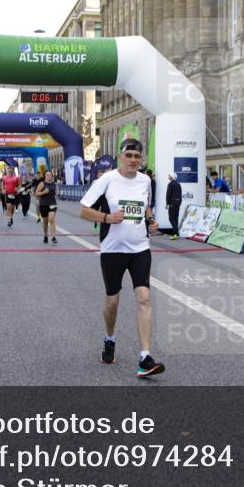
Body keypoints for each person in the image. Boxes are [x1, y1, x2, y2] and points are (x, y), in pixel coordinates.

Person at [78, 138, 164, 378]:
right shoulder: (106, 180)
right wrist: (107, 218)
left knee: (144, 297)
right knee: (112, 301)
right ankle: (109, 338)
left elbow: (146, 206)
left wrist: (151, 220)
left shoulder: (145, 180)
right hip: (112, 250)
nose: (133, 160)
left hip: (140, 249)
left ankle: (145, 358)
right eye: (129, 156)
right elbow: (83, 210)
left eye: (137, 156)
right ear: (120, 157)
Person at [36, 170, 59, 245]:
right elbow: (36, 193)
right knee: (45, 222)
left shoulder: (54, 184)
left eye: (50, 175)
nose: (49, 176)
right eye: (47, 175)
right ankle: (45, 235)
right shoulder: (42, 184)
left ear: (52, 176)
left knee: (51, 219)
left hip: (52, 203)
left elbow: (56, 193)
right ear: (45, 176)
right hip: (43, 204)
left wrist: (57, 193)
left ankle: (53, 237)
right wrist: (44, 192)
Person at [166, 172, 182, 240]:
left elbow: (168, 194)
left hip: (172, 203)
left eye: (169, 176)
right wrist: (179, 202)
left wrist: (167, 203)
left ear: (172, 177)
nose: (168, 177)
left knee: (171, 218)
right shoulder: (178, 184)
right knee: (175, 218)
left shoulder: (170, 184)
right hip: (178, 203)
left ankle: (175, 233)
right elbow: (180, 194)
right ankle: (176, 233)